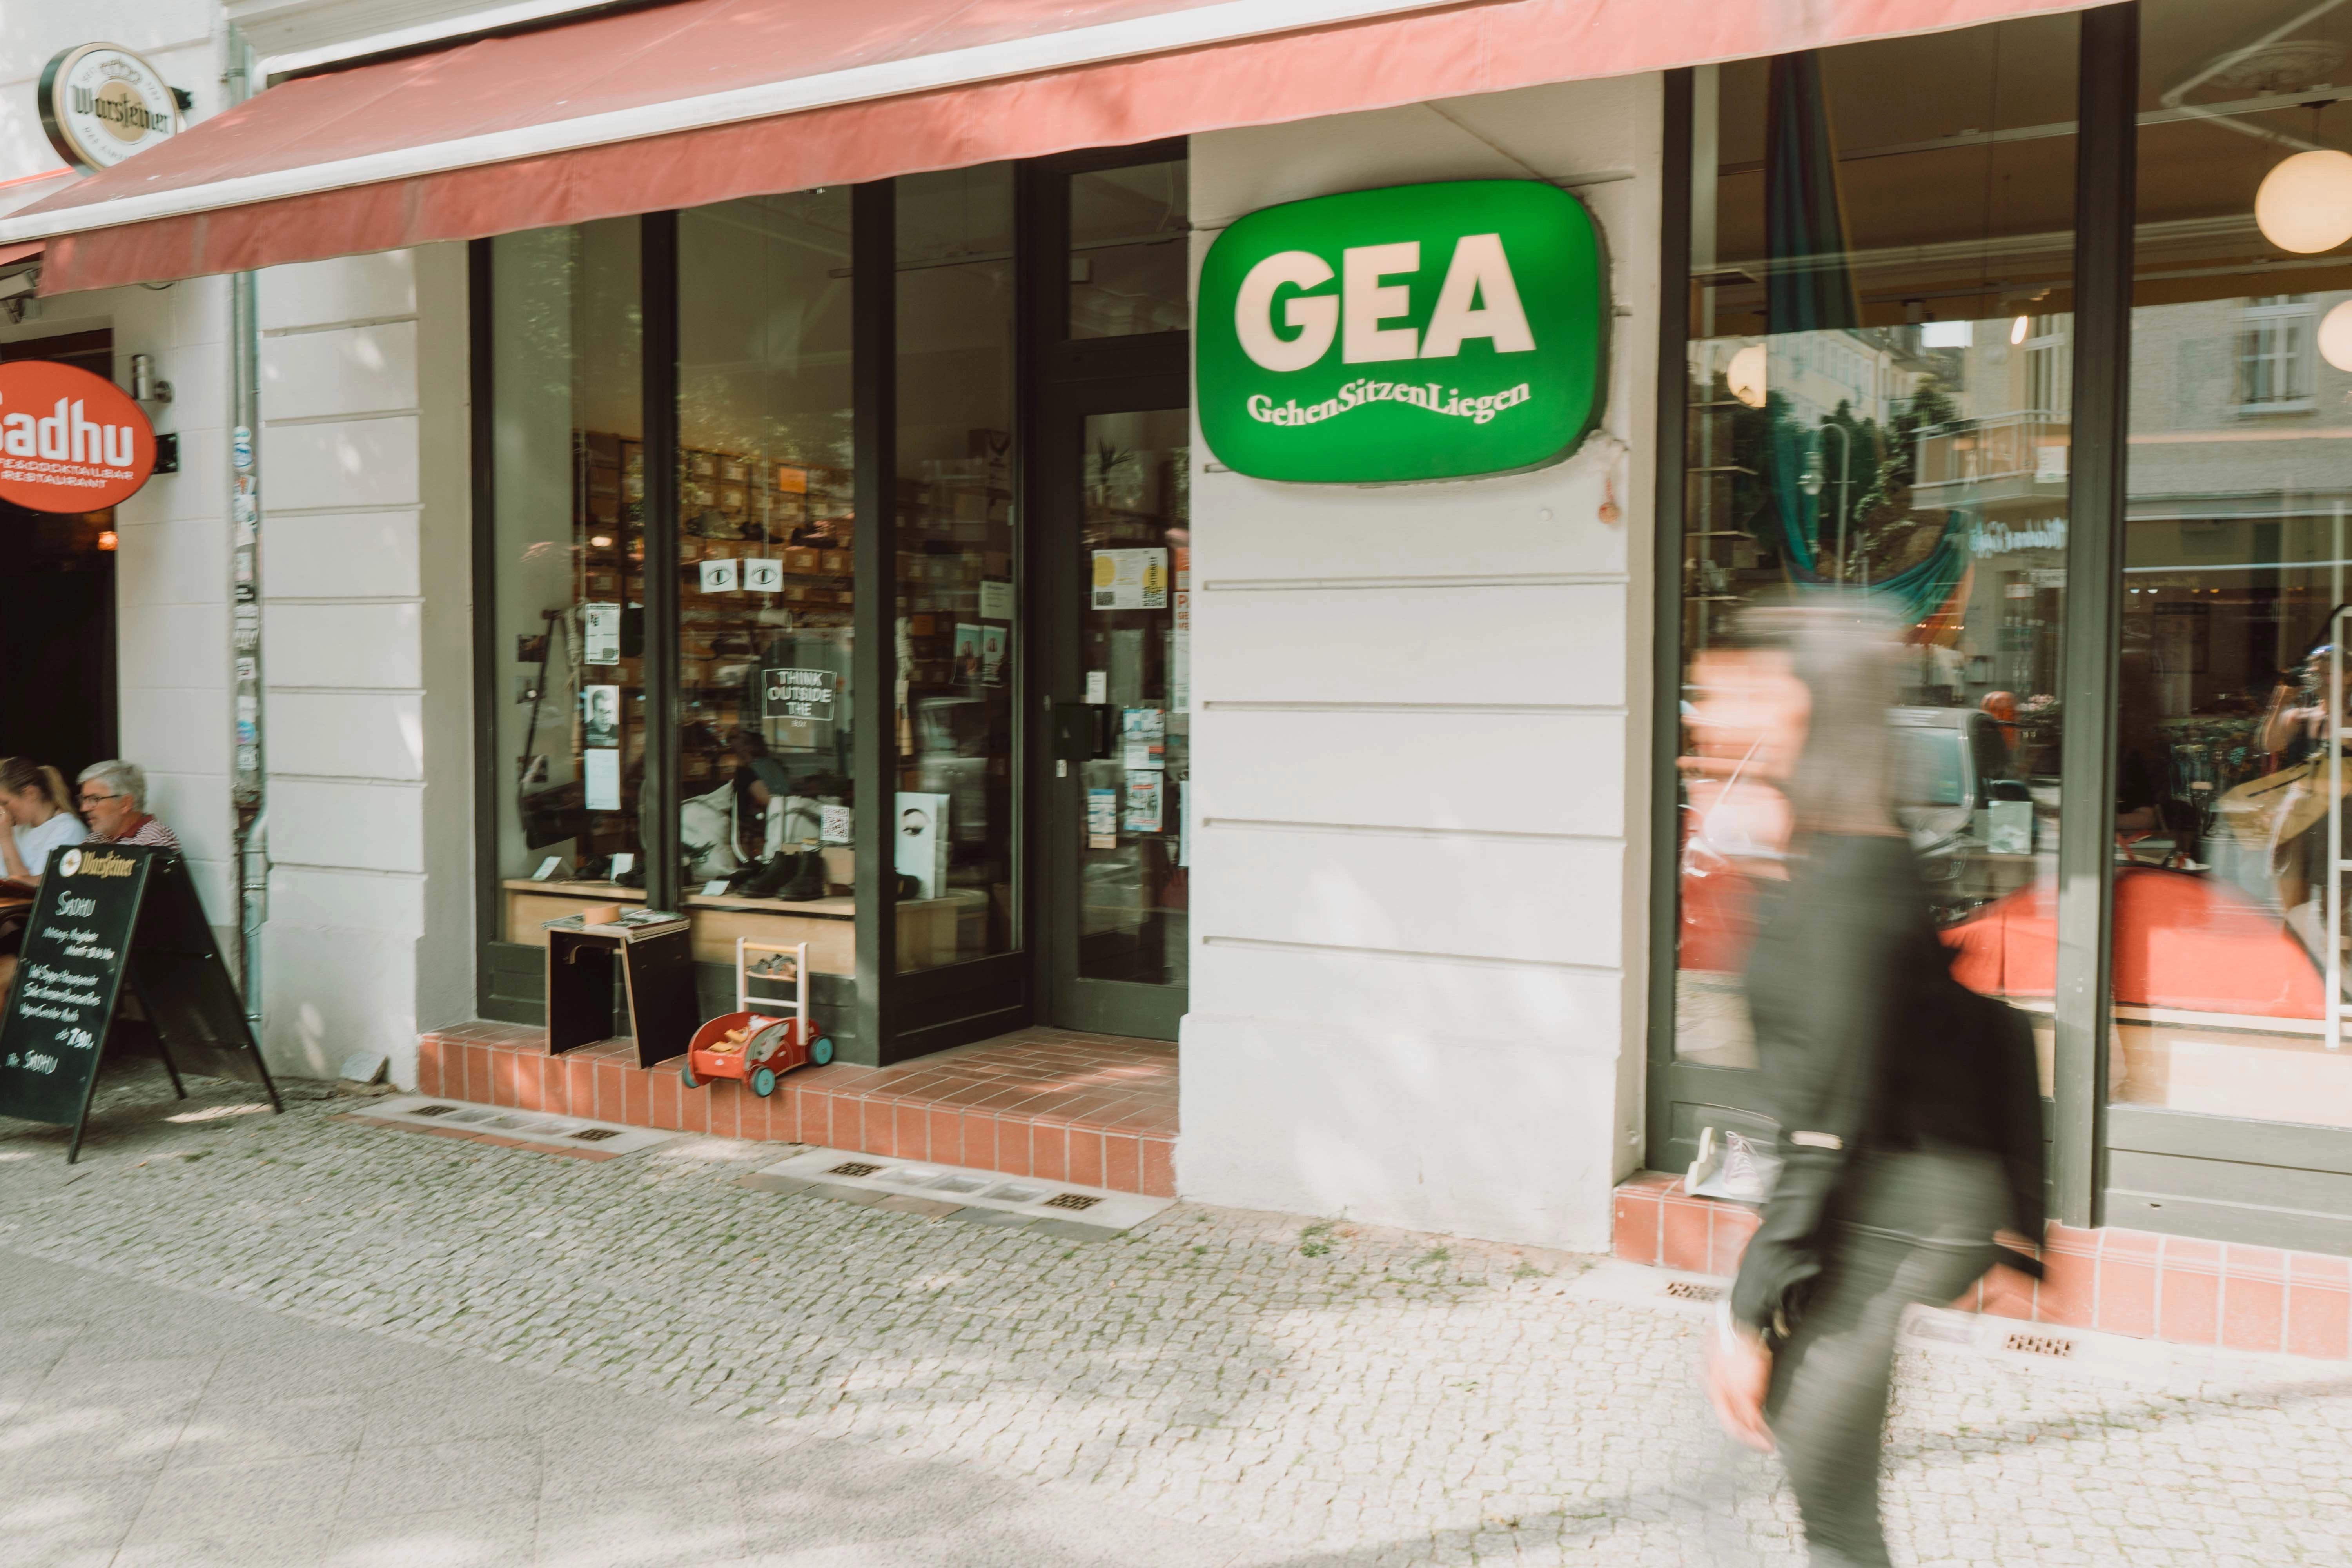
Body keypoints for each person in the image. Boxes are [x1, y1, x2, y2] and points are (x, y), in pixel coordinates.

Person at [1698, 599, 2045, 1568]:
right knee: (1825, 1471)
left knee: (1820, 1459)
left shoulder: (1852, 870)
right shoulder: (1828, 846)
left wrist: (1746, 1311)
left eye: (1738, 693)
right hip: (1885, 1179)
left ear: (1809, 704)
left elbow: (1826, 1122)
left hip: (1914, 1198)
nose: (1705, 714)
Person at [0, 756, 87, 886]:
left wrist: (6, 840)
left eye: (5, 803)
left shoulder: (67, 829)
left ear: (30, 794)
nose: (3, 810)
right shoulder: (18, 827)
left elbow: (28, 890)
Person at [77, 760, 182, 849]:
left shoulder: (154, 840)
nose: (84, 808)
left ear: (125, 804)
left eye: (94, 799)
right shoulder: (95, 839)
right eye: (84, 799)